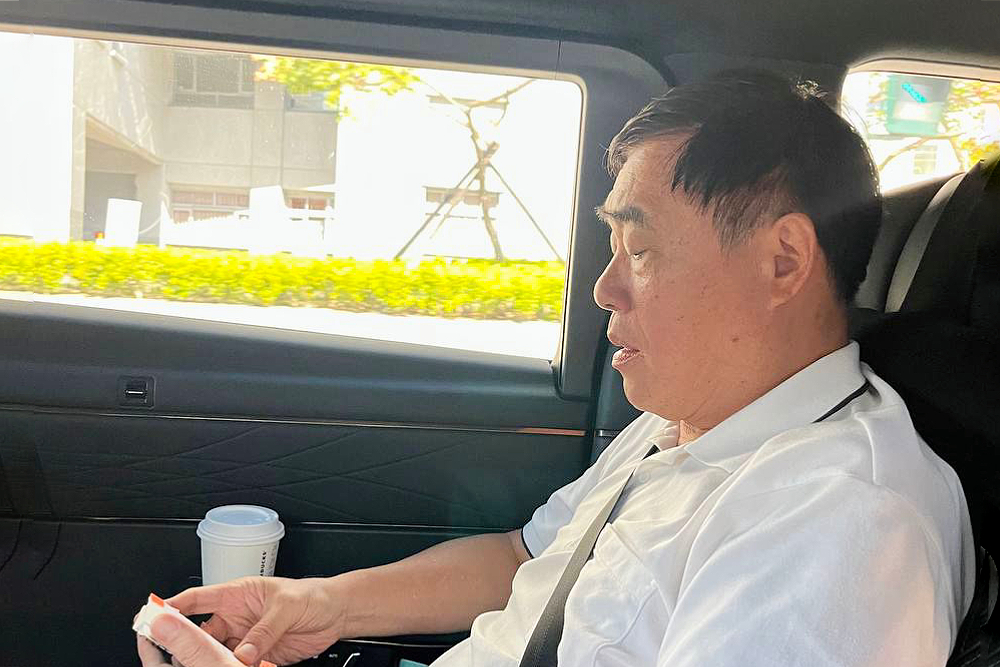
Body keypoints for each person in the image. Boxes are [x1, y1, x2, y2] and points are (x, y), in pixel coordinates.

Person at [137, 71, 975, 667]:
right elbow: (523, 559)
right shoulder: (688, 420)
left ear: (782, 261)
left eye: (640, 248)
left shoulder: (839, 530)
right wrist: (319, 605)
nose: (606, 288)